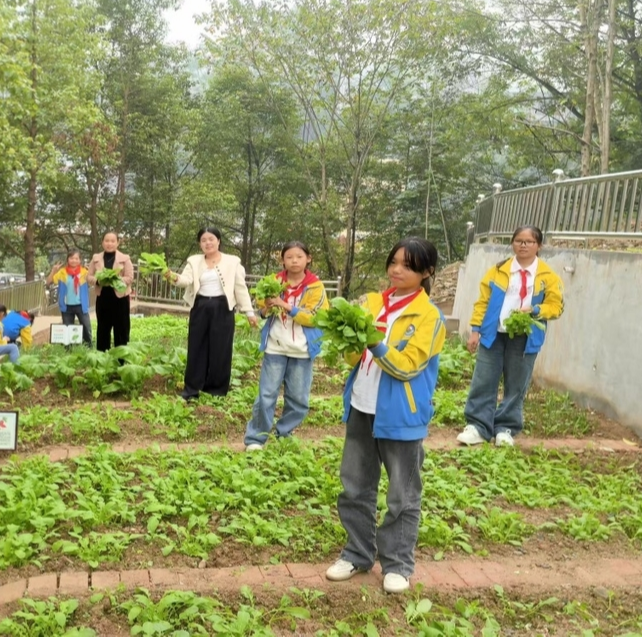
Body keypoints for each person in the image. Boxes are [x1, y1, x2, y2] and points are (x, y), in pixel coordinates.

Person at [325, 237, 446, 595]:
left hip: (401, 415)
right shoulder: (373, 303)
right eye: (393, 262)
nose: (396, 270)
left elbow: (407, 367)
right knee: (355, 487)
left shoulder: (429, 317)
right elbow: (353, 357)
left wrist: (374, 339)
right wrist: (350, 337)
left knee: (401, 495)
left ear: (427, 272)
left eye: (408, 266)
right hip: (362, 406)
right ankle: (357, 553)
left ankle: (397, 563)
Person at [456, 225, 564, 448]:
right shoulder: (498, 270)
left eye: (529, 242)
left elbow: (556, 306)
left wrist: (535, 311)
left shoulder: (547, 276)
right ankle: (478, 426)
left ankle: (505, 428)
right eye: (519, 241)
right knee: (484, 379)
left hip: (524, 337)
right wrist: (476, 330)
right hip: (493, 335)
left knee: (516, 384)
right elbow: (483, 302)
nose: (523, 245)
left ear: (539, 246)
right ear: (512, 243)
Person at [244, 241, 330, 450]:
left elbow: (314, 318)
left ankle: (284, 432)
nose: (294, 261)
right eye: (289, 257)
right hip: (275, 346)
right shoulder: (274, 281)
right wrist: (266, 308)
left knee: (299, 398)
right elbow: (263, 310)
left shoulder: (316, 287)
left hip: (301, 349)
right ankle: (256, 438)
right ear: (282, 260)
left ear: (308, 259)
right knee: (266, 394)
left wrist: (284, 305)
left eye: (299, 256)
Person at [164, 226, 257, 400]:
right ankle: (191, 389)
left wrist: (249, 312)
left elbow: (240, 288)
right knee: (196, 347)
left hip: (223, 307)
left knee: (221, 348)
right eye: (203, 240)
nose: (208, 243)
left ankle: (216, 389)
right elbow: (186, 280)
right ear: (200, 244)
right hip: (200, 306)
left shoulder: (232, 261)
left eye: (211, 239)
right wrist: (173, 277)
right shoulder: (194, 261)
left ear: (219, 241)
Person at [90, 232, 134, 351]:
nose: (109, 243)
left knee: (121, 330)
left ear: (117, 243)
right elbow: (89, 277)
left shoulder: (125, 259)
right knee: (103, 329)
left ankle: (121, 360)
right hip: (103, 299)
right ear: (102, 242)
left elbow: (130, 277)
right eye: (107, 241)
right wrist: (98, 281)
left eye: (112, 241)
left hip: (120, 299)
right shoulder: (96, 258)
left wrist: (114, 280)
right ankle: (103, 358)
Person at [49, 251, 92, 348]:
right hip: (66, 306)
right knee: (67, 328)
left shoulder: (84, 272)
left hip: (81, 305)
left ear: (80, 260)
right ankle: (67, 350)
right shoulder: (62, 272)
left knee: (86, 327)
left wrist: (92, 272)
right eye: (71, 258)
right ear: (67, 259)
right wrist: (53, 271)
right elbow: (49, 282)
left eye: (76, 258)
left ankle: (88, 348)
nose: (74, 261)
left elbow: (94, 282)